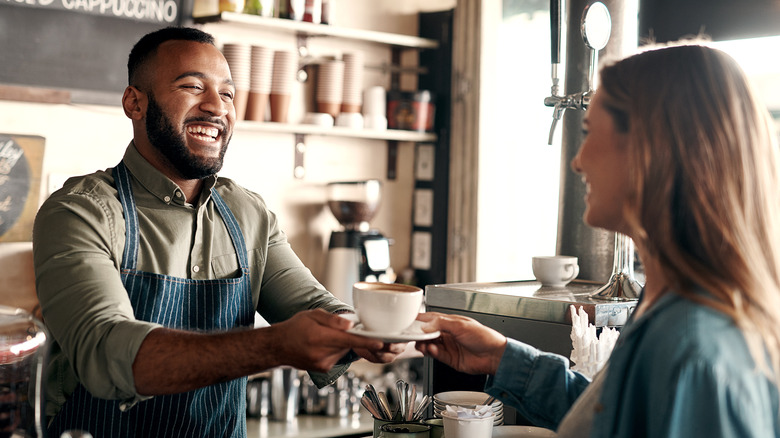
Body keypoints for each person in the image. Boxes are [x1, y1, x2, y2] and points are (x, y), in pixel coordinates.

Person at [32, 26, 404, 437]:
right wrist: (275, 345)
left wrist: (373, 331)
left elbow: (314, 308)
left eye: (227, 94)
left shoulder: (249, 214)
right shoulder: (82, 211)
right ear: (134, 103)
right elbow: (105, 352)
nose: (216, 107)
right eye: (193, 86)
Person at [416, 43, 780, 437]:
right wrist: (502, 358)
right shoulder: (666, 305)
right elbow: (617, 422)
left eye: (589, 132)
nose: (578, 160)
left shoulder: (694, 349)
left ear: (650, 151)